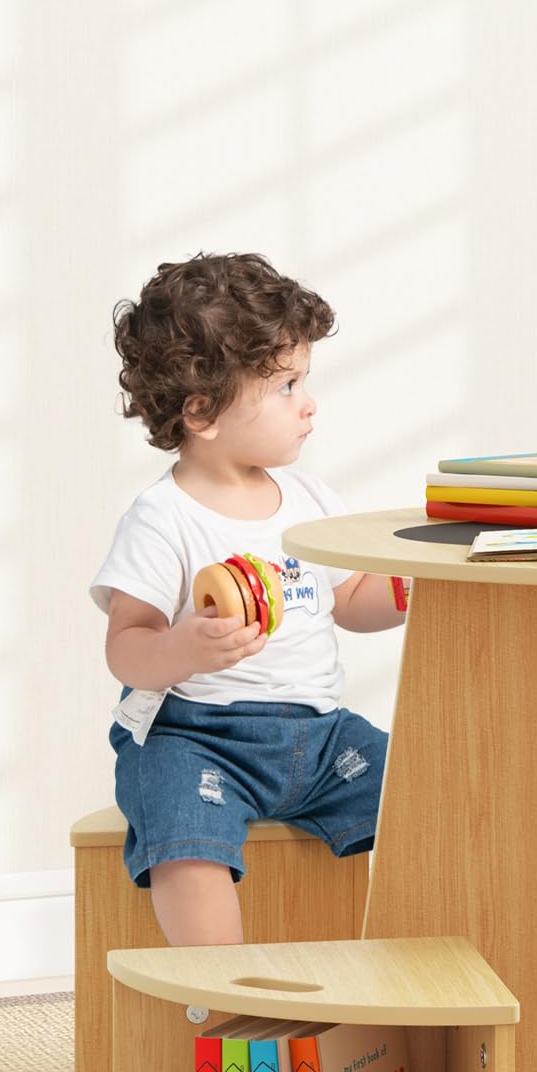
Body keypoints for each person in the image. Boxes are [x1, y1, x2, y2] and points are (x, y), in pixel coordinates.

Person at [90, 251, 407, 946]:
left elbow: (352, 599)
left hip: (320, 737)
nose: (309, 402)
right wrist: (182, 648)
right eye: (287, 385)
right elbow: (126, 645)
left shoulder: (309, 498)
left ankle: (420, 966)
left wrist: (408, 587)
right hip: (196, 736)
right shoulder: (163, 517)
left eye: (304, 381)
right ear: (202, 411)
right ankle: (222, 991)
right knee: (186, 844)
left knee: (425, 791)